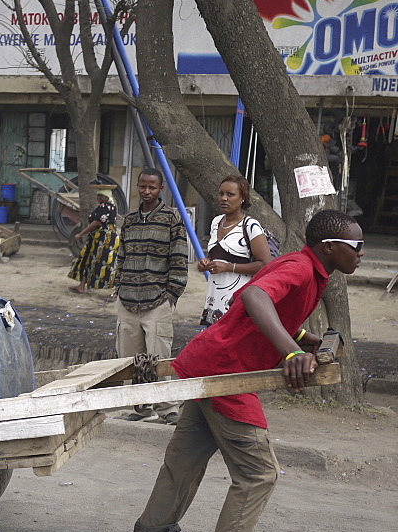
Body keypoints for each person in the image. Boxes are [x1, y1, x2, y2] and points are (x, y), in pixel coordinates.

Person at [115, 209, 363, 532]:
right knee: (259, 473)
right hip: (227, 373)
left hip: (211, 363)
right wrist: (292, 351)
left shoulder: (304, 268)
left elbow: (260, 307)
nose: (362, 254)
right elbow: (252, 296)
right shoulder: (300, 268)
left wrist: (301, 336)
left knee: (183, 463)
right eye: (358, 247)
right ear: (331, 247)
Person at [113, 167, 189, 425]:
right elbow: (121, 256)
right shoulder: (130, 220)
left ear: (160, 189)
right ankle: (143, 408)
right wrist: (118, 284)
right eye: (142, 186)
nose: (146, 191)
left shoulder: (172, 219)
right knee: (131, 359)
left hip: (158, 301)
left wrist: (172, 294)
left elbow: (179, 259)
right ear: (137, 186)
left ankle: (168, 409)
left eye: (152, 187)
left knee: (158, 358)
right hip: (127, 300)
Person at [197, 175, 273, 325]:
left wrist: (228, 267)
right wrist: (206, 262)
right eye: (221, 194)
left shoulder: (251, 226)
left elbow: (265, 264)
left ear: (242, 198)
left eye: (230, 194)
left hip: (237, 299)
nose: (224, 198)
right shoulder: (216, 222)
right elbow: (217, 255)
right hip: (214, 299)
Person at [67, 188, 120, 295]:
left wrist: (80, 234)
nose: (98, 197)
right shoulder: (110, 207)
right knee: (89, 259)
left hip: (104, 239)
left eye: (101, 195)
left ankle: (116, 291)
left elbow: (96, 223)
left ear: (106, 197)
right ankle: (81, 286)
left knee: (105, 263)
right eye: (98, 195)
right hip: (100, 237)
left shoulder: (104, 207)